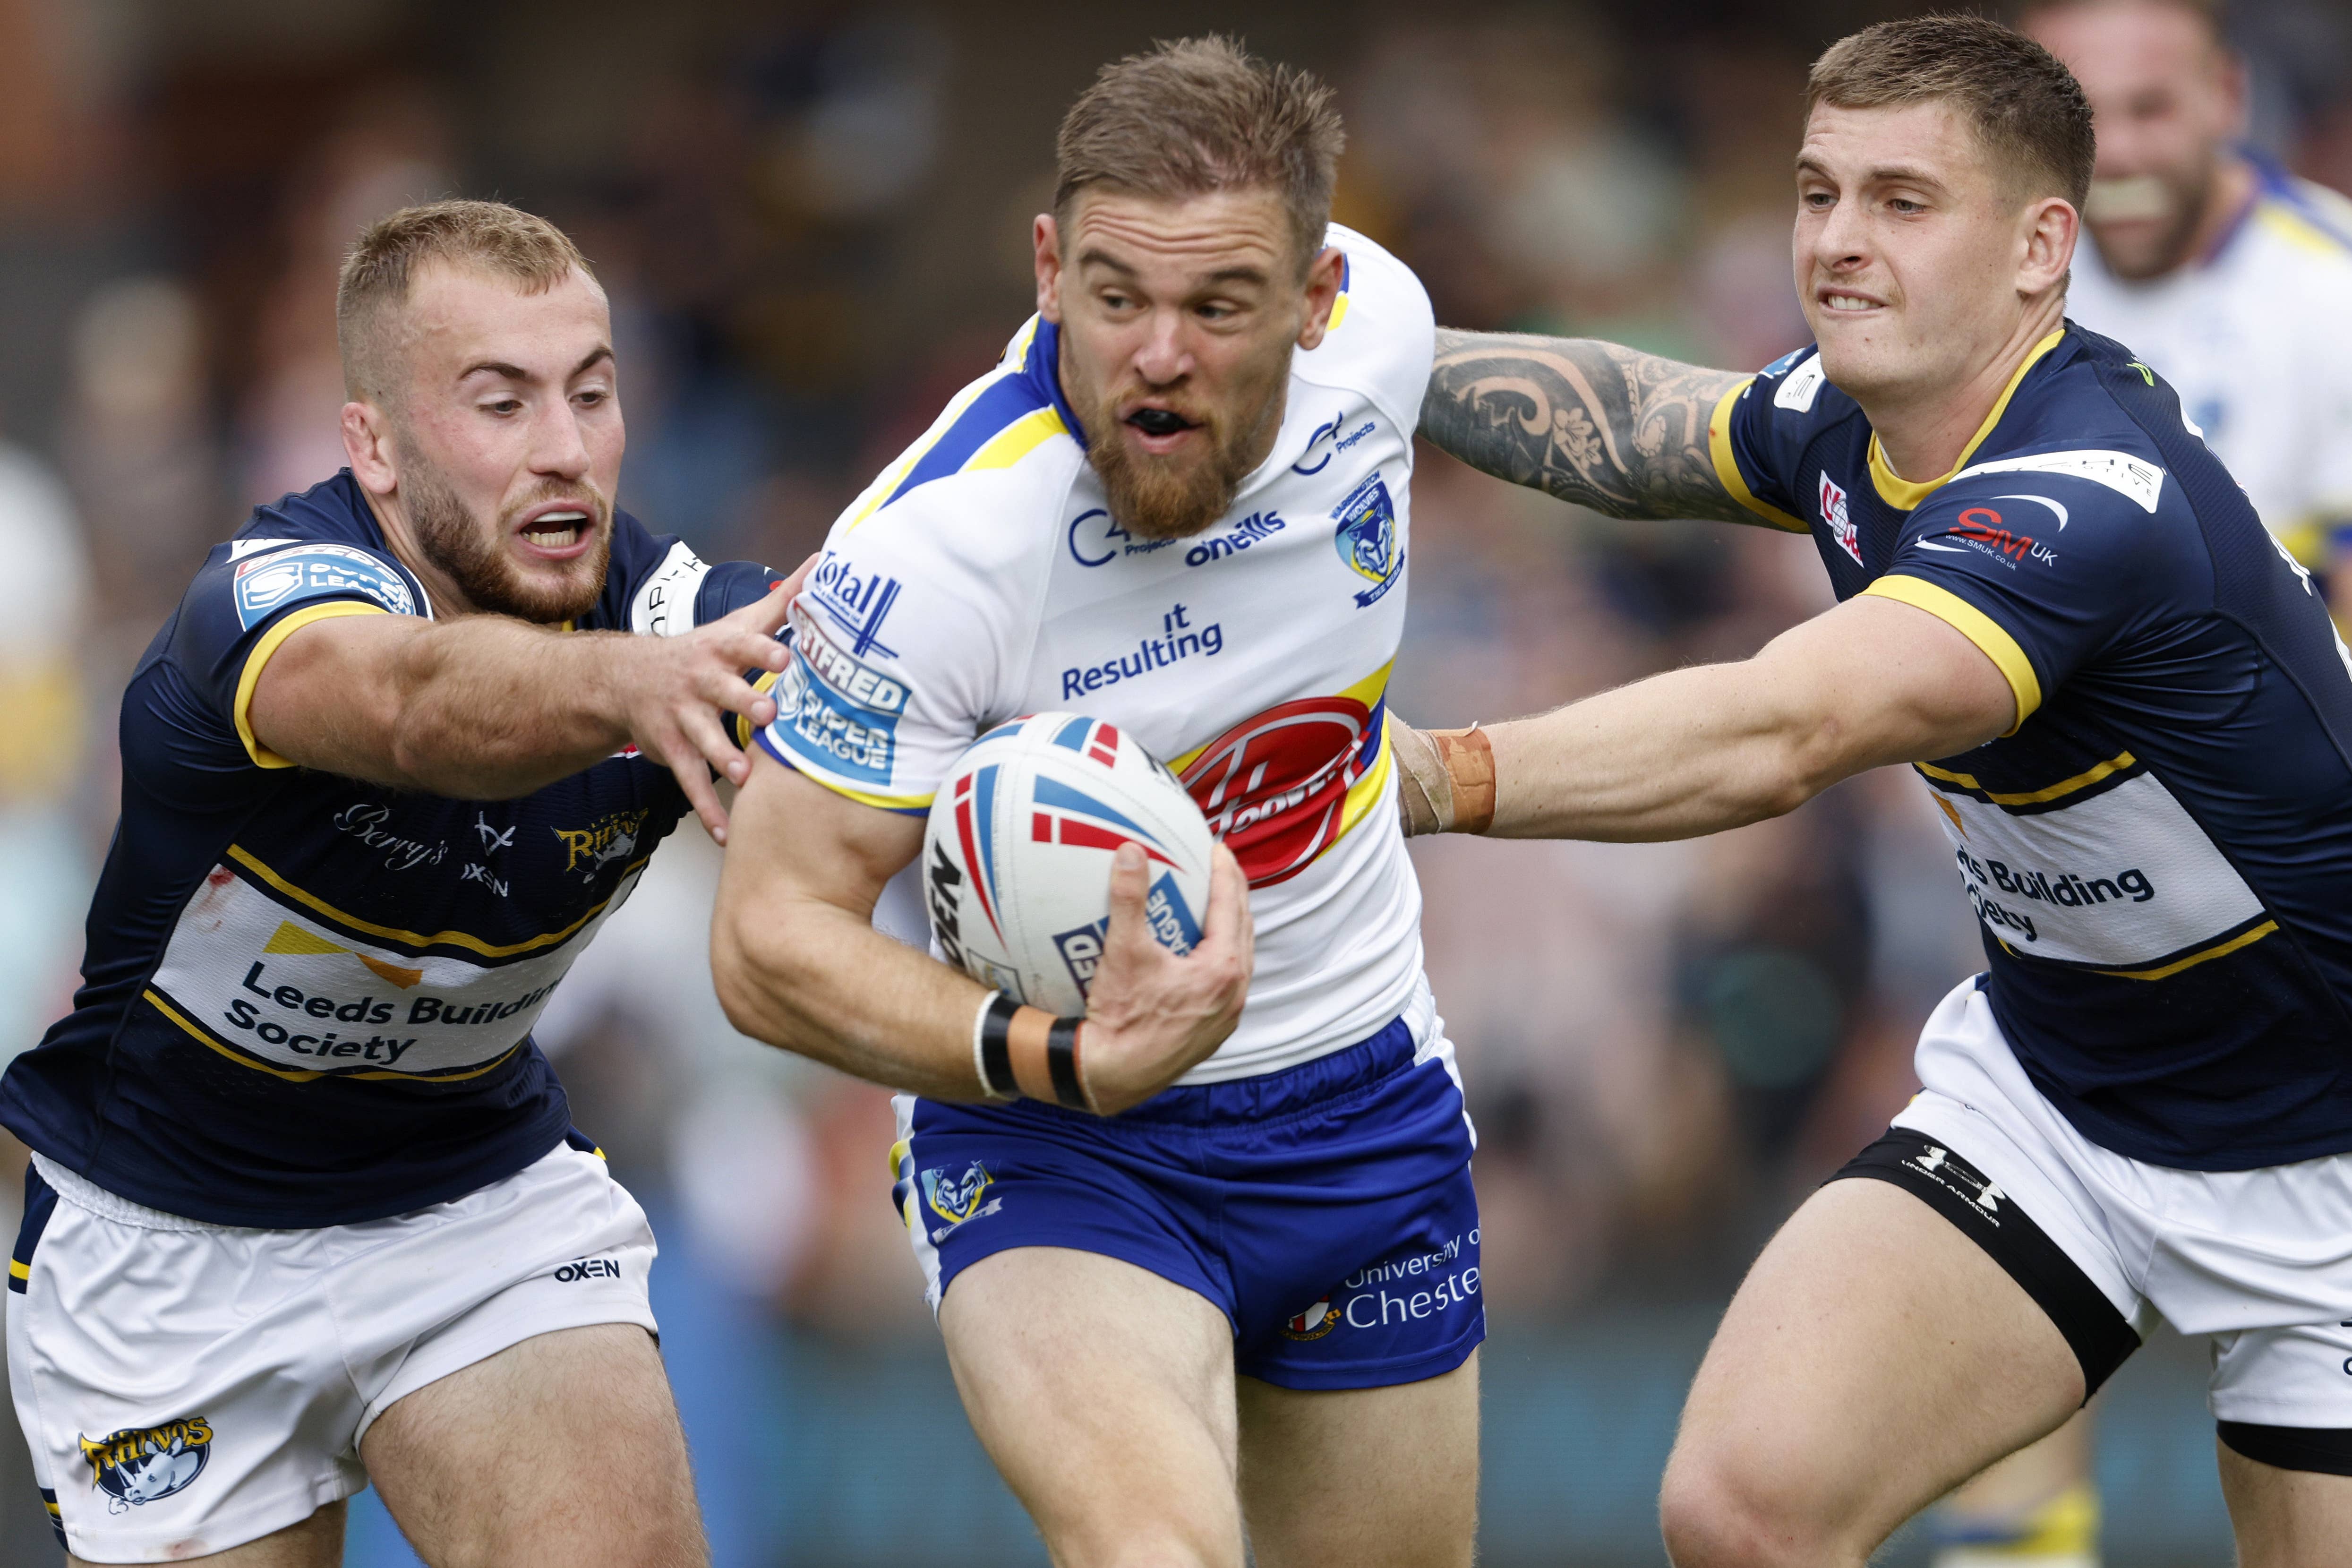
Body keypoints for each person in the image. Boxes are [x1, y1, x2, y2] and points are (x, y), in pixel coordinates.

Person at [1402, 14, 2352, 1565]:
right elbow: (1647, 427)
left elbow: (1774, 731)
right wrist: (1353, 360)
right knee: (1740, 1507)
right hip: (2063, 1099)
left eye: (1899, 202)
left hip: (2316, 1148)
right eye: (1814, 192)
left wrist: (1427, 772)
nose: (1836, 244)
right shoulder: (1851, 420)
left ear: (2040, 247)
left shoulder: (2086, 497)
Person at [711, 37, 1482, 1568]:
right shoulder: (933, 551)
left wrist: (1777, 439)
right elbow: (763, 934)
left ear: (1317, 299)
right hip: (1064, 1141)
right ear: (1049, 267)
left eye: (1217, 306)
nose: (1157, 352)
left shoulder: (1381, 337)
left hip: (1359, 1096)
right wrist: (1050, 1050)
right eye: (1117, 296)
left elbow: (1514, 391)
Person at [3, 198, 805, 1568]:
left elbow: (859, 660)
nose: (564, 449)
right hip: (165, 1246)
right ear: (368, 442)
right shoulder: (262, 601)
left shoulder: (675, 617)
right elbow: (418, 705)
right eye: (499, 402)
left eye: (592, 393)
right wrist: (635, 685)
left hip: (471, 1206)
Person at [2029, 0, 2352, 595]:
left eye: (2150, 108)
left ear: (2227, 97)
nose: (2115, 154)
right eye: (2072, 116)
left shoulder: (2336, 289)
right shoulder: (1982, 278)